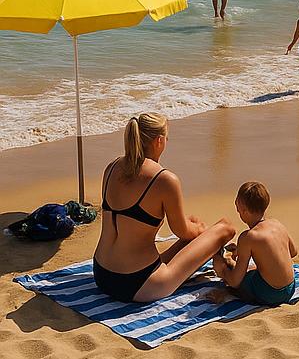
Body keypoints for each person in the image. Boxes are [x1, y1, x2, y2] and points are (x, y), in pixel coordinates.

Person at [92, 113, 235, 302]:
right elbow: (182, 232)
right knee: (225, 228)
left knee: (193, 233)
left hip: (102, 274)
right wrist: (201, 229)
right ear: (159, 141)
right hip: (138, 283)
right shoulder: (164, 180)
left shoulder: (111, 168)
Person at [213, 182, 296, 306]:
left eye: (238, 210)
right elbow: (293, 252)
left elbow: (235, 281)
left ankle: (226, 269)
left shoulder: (248, 237)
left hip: (270, 294)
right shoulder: (276, 224)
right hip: (290, 288)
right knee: (252, 270)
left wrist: (223, 272)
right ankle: (231, 263)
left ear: (244, 211)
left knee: (227, 272)